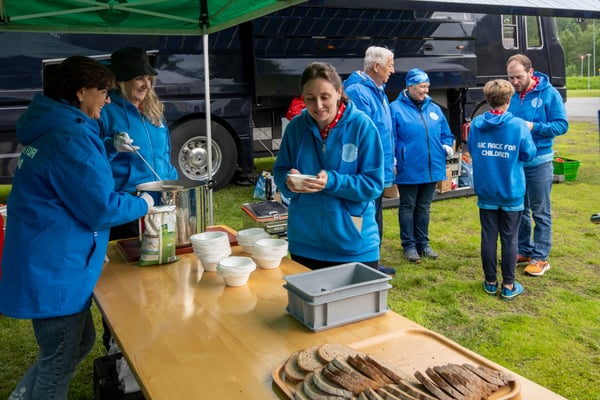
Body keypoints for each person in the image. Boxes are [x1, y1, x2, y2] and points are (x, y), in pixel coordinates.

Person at [0, 56, 154, 400]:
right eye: (104, 92)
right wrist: (144, 203)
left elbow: (75, 175)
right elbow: (100, 207)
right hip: (54, 267)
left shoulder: (56, 126)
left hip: (48, 256)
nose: (108, 100)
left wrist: (108, 147)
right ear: (81, 91)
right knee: (58, 360)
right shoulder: (70, 137)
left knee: (75, 344)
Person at [272, 62, 384, 270]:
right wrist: (288, 182)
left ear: (339, 92)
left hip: (353, 245)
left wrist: (332, 181)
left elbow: (373, 185)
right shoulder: (296, 128)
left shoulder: (362, 127)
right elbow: (279, 170)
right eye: (310, 98)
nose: (318, 105)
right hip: (304, 244)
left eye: (325, 97)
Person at [467, 79, 537, 300]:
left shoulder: (477, 124)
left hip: (486, 189)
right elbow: (529, 154)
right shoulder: (518, 125)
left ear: (488, 99)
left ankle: (490, 282)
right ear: (509, 100)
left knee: (488, 236)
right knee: (510, 238)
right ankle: (508, 284)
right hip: (511, 190)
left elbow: (472, 149)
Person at [100, 46, 178, 240]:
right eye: (139, 78)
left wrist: (174, 185)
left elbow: (164, 154)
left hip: (162, 203)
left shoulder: (154, 109)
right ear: (121, 81)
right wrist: (111, 145)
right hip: (129, 205)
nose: (146, 85)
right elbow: (92, 157)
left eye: (149, 78)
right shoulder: (104, 110)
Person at [506, 54, 568, 276]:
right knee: (520, 209)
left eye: (519, 77)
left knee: (540, 211)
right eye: (511, 77)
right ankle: (524, 250)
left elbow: (561, 125)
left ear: (531, 73)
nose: (514, 82)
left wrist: (534, 126)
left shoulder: (549, 93)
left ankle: (541, 257)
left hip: (540, 161)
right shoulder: (511, 94)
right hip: (517, 161)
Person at [390, 68, 455, 263]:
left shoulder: (434, 109)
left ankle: (423, 244)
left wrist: (446, 146)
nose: (426, 90)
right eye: (422, 86)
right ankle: (409, 246)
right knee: (408, 206)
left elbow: (446, 133)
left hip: (432, 166)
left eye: (427, 86)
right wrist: (393, 159)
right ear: (410, 87)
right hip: (408, 166)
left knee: (424, 207)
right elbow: (390, 137)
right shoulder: (395, 109)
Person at [343, 46, 396, 275]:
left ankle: (372, 260)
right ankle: (362, 262)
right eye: (390, 65)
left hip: (378, 166)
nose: (393, 70)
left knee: (375, 215)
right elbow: (361, 134)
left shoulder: (377, 90)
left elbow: (384, 130)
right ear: (376, 66)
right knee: (364, 216)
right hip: (366, 169)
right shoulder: (358, 91)